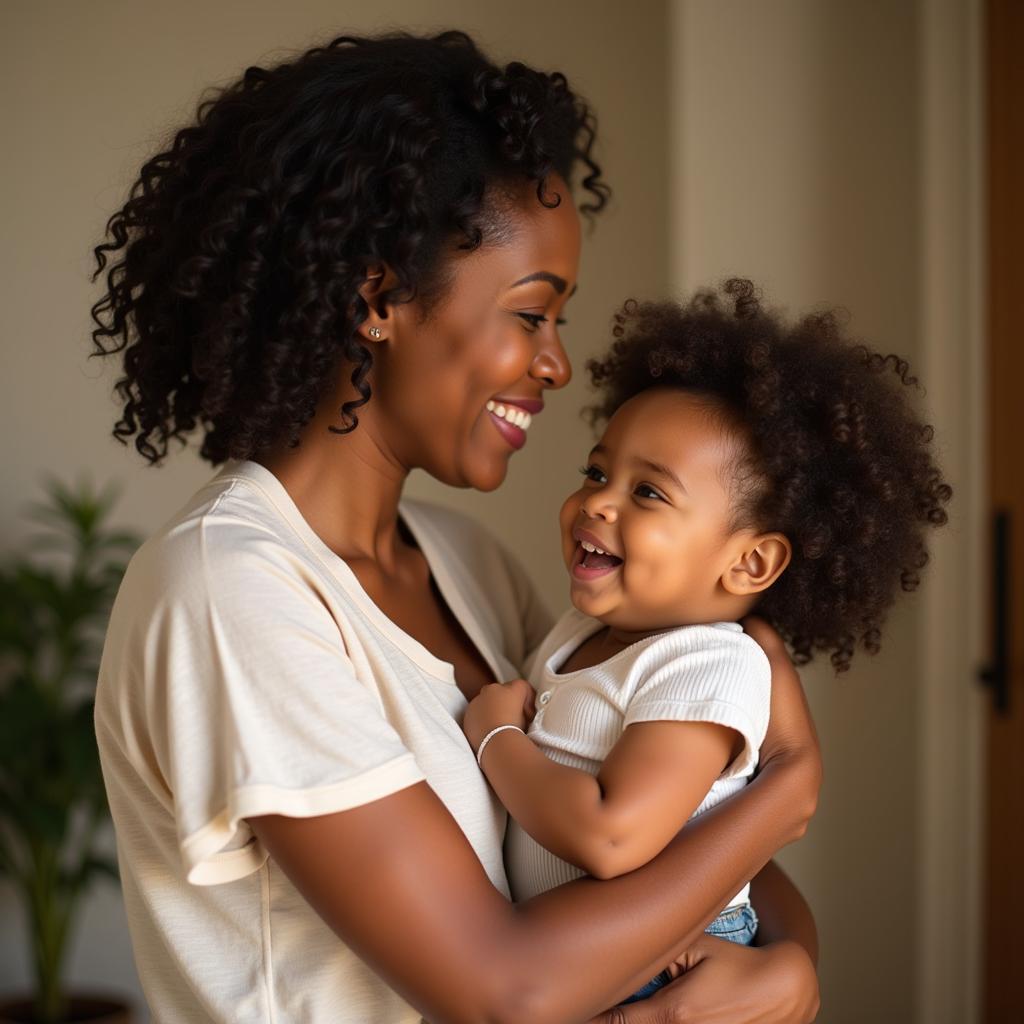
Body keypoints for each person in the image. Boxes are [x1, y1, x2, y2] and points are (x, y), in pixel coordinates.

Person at [91, 31, 821, 1024]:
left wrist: (789, 968)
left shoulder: (471, 569)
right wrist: (782, 789)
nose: (557, 365)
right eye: (531, 315)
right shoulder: (233, 590)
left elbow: (693, 856)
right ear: (381, 298)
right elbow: (503, 988)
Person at [462, 281, 953, 1005]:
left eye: (648, 493)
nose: (598, 500)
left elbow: (611, 837)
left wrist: (496, 734)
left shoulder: (708, 667)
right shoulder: (584, 633)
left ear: (750, 562)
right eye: (598, 472)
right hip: (592, 962)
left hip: (664, 973)